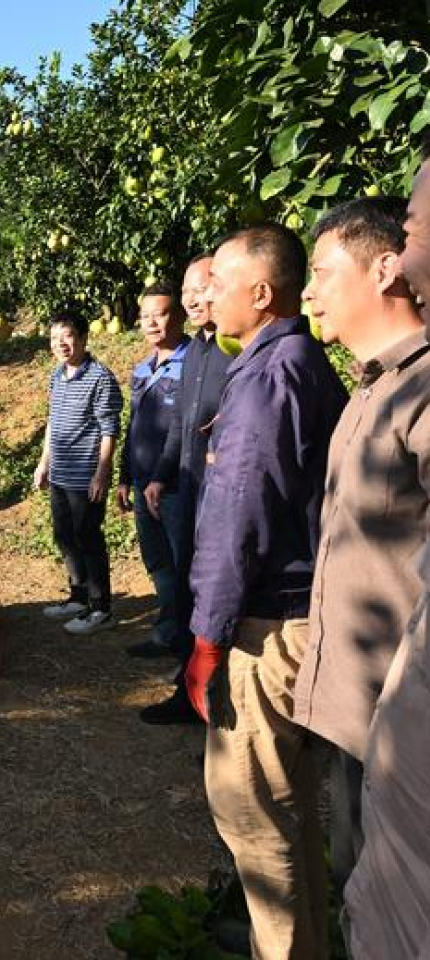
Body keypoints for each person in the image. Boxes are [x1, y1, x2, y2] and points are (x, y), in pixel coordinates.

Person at [183, 223, 348, 959]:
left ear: (260, 291)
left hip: (266, 628)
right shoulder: (297, 362)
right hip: (295, 617)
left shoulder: (267, 378)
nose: (204, 292)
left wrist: (209, 634)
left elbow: (237, 515)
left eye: (216, 280)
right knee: (288, 819)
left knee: (256, 821)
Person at [291, 197, 430, 915]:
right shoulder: (367, 388)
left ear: (385, 269)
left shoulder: (422, 393)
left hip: (396, 729)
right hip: (354, 716)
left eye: (320, 271)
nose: (308, 292)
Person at [346, 159, 430, 959]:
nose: (409, 227)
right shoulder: (371, 385)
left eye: (417, 212)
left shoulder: (419, 391)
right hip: (368, 712)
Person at [137, 254, 232, 725]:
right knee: (188, 590)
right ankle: (190, 690)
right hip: (188, 491)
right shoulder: (195, 350)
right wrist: (159, 475)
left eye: (205, 287)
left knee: (212, 599)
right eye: (189, 290)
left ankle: (214, 705)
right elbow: (180, 422)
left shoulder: (237, 352)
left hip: (222, 498)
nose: (196, 298)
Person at [32, 311, 123, 635]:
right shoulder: (57, 375)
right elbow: (53, 423)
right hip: (59, 474)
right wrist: (44, 463)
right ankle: (78, 596)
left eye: (67, 336)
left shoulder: (101, 378)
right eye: (55, 338)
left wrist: (102, 474)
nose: (61, 344)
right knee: (64, 537)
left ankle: (101, 607)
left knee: (88, 538)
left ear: (83, 338)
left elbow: (110, 429)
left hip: (86, 478)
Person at [115, 282, 191, 658]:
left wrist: (162, 477)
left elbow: (182, 427)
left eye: (159, 314)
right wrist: (125, 476)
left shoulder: (193, 362)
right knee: (158, 562)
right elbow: (134, 426)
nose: (151, 323)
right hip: (144, 483)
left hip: (175, 486)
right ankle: (168, 631)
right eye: (145, 316)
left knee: (182, 565)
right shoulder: (143, 369)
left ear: (178, 317)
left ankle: (187, 642)